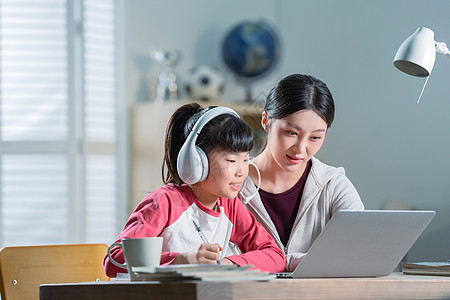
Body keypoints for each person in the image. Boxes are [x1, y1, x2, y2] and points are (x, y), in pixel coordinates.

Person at [104, 103, 286, 278]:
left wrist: (227, 265)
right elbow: (113, 262)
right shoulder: (165, 202)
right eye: (231, 161)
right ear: (197, 162)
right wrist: (182, 260)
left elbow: (276, 256)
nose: (242, 172)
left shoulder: (229, 206)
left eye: (246, 160)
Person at [238, 74, 364, 272]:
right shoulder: (230, 185)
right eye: (292, 133)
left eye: (315, 137)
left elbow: (359, 251)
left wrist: (282, 262)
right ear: (265, 121)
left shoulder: (333, 185)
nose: (301, 149)